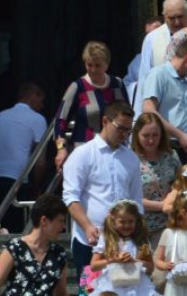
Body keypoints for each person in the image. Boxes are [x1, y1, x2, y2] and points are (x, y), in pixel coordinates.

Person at [61, 100, 144, 278]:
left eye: (128, 130)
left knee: (123, 292)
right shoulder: (82, 154)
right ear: (105, 121)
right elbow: (70, 196)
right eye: (120, 128)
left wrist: (139, 234)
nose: (124, 134)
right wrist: (87, 226)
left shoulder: (131, 158)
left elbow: (136, 199)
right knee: (87, 292)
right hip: (89, 240)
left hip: (124, 241)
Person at [0, 82, 48, 233]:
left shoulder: (0, 116)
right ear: (33, 96)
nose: (42, 105)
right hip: (15, 178)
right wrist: (37, 188)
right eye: (42, 100)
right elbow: (40, 161)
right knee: (13, 229)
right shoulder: (37, 119)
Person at [54, 41, 128, 171]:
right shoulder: (77, 87)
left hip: (116, 151)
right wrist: (61, 149)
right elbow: (60, 120)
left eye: (97, 65)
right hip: (85, 152)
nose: (93, 70)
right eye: (89, 65)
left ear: (107, 64)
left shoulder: (117, 85)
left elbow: (128, 115)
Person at [140, 37, 187, 157]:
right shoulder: (159, 74)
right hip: (164, 147)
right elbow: (149, 110)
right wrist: (180, 135)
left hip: (185, 149)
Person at [131, 111, 181, 250]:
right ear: (137, 135)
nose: (151, 140)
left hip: (169, 225)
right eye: (146, 135)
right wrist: (161, 205)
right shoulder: (130, 159)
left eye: (155, 135)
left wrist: (173, 196)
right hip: (139, 227)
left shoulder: (171, 156)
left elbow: (182, 184)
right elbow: (128, 196)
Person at [134, 0, 187, 115]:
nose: (177, 22)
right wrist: (139, 116)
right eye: (172, 18)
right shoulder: (152, 38)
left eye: (180, 17)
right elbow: (145, 77)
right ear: (164, 17)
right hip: (166, 112)